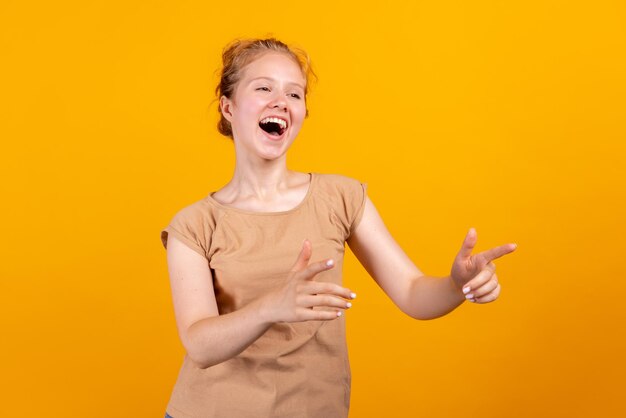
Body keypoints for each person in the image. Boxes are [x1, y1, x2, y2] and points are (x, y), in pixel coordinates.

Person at [160, 37, 517, 418]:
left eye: (294, 94)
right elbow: (199, 344)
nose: (280, 101)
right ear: (228, 107)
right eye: (263, 87)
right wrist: (272, 307)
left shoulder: (341, 197)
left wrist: (456, 284)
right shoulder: (195, 224)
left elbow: (413, 294)